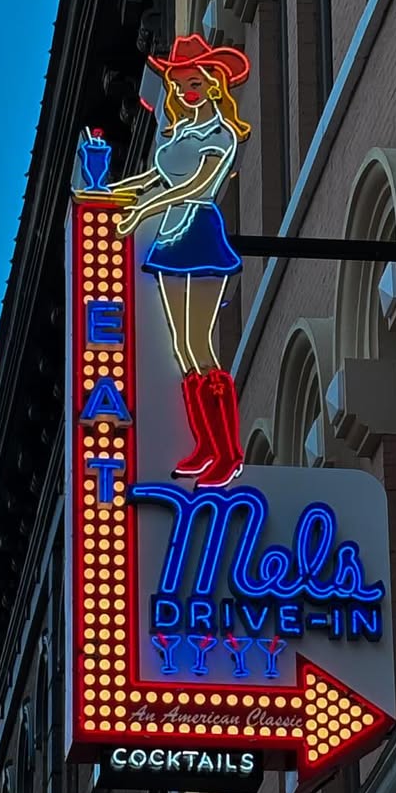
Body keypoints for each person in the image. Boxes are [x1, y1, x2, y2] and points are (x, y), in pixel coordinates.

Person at [109, 33, 251, 487]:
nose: (186, 92)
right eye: (179, 84)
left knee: (201, 343)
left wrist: (145, 210)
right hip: (170, 236)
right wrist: (111, 193)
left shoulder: (221, 134)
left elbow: (197, 187)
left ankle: (227, 453)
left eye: (194, 83)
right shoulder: (180, 133)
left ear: (213, 83)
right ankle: (205, 445)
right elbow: (157, 176)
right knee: (182, 349)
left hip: (200, 229)